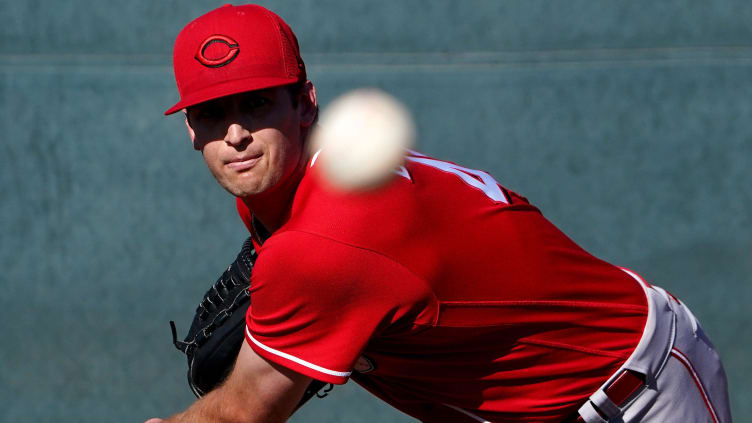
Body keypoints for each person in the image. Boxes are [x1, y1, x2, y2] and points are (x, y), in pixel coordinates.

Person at [149, 4, 732, 423]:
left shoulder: (327, 236)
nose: (236, 134)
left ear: (304, 104)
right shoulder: (293, 191)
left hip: (635, 390)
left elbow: (242, 414)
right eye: (211, 112)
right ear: (189, 130)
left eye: (256, 104)